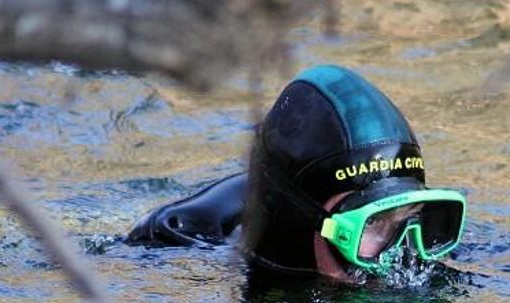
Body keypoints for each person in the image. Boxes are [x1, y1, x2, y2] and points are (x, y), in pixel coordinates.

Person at [125, 65, 467, 283]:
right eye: (374, 224)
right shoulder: (183, 262)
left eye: (412, 217)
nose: (400, 259)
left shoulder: (413, 254)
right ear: (302, 226)